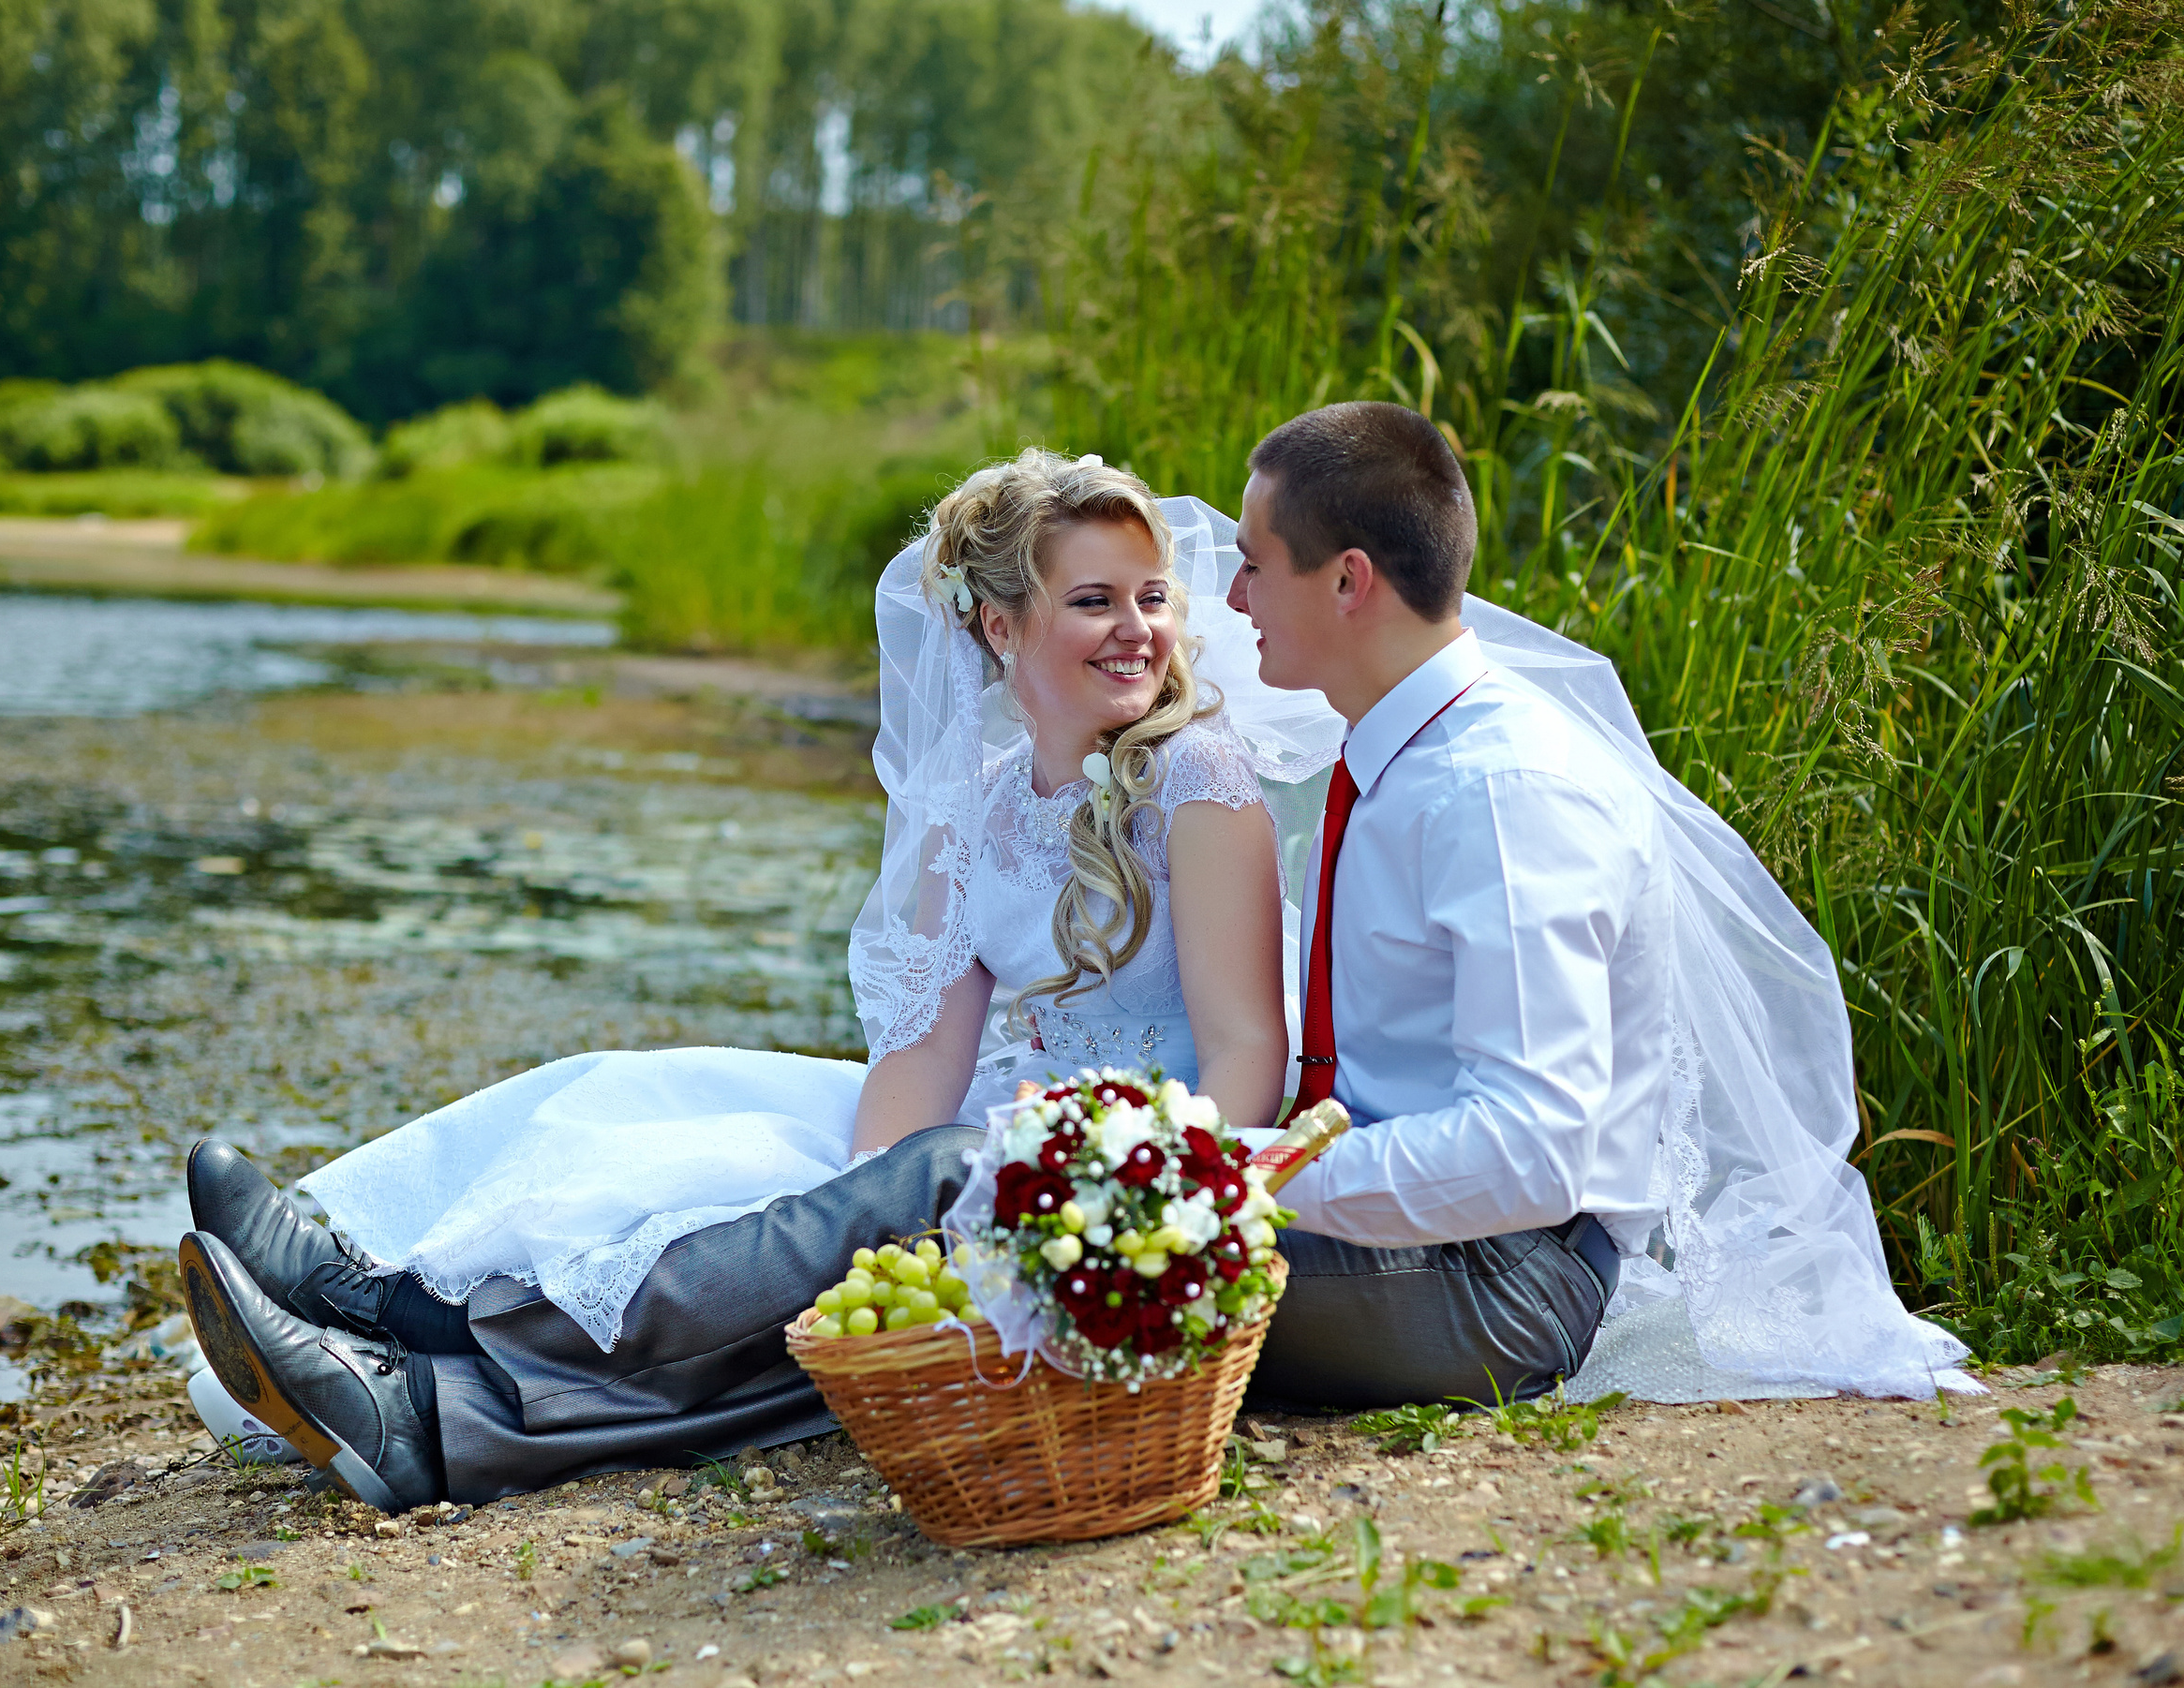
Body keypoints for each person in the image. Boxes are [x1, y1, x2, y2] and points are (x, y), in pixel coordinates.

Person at [174, 451, 1341, 1512]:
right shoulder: (980, 803)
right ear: (998, 626)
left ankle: (412, 1332)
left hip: (1145, 1163)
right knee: (662, 1106)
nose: (1137, 628)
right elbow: (925, 1058)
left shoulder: (1197, 775)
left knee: (886, 1194)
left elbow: (1249, 1050)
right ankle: (403, 1340)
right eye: (1093, 600)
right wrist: (850, 1219)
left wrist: (1155, 1197)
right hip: (1002, 1129)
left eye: (1150, 597)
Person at [1225, 401, 1979, 1409]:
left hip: (1504, 1279)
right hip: (1415, 1239)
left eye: (1254, 562)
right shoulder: (1402, 762)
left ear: (1348, 579)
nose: (1231, 597)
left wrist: (1243, 1179)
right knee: (1042, 1219)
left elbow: (1528, 1153)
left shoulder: (1502, 790)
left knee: (1075, 1271)